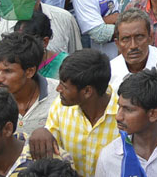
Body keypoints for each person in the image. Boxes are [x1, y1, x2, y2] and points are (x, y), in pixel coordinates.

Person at [33, 49, 119, 177]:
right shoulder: (60, 108)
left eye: (64, 86)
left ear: (87, 92)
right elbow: (52, 153)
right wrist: (41, 132)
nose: (58, 89)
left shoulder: (123, 116)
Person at [94, 70, 157, 177]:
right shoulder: (109, 157)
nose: (118, 116)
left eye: (128, 110)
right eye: (119, 107)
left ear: (153, 114)